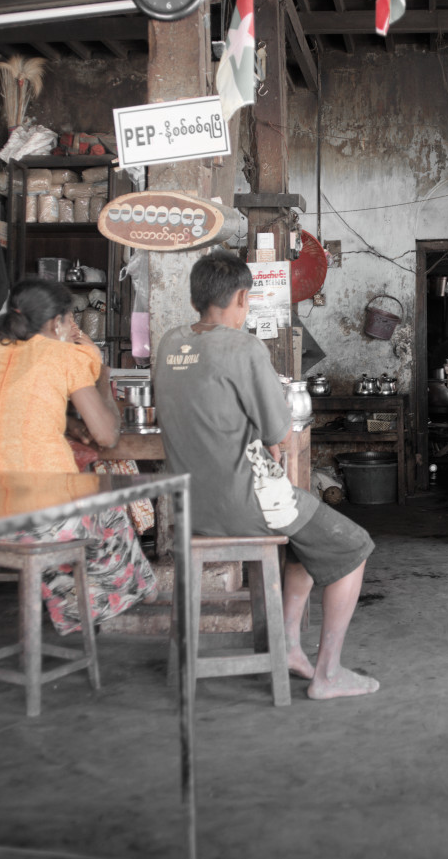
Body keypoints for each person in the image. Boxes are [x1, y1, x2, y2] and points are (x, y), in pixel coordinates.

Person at [153, 251, 379, 700]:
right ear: (242, 298)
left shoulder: (170, 342)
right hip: (245, 504)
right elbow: (278, 430)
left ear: (196, 297)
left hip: (188, 507)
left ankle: (288, 648)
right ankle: (328, 674)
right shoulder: (244, 347)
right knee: (353, 546)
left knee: (304, 543)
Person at [0, 278, 158, 633]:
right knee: (110, 505)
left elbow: (13, 412)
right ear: (57, 323)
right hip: (40, 521)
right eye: (71, 320)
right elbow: (107, 435)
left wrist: (68, 423)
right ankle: (133, 590)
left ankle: (76, 601)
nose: (74, 328)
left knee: (86, 506)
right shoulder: (62, 356)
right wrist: (101, 371)